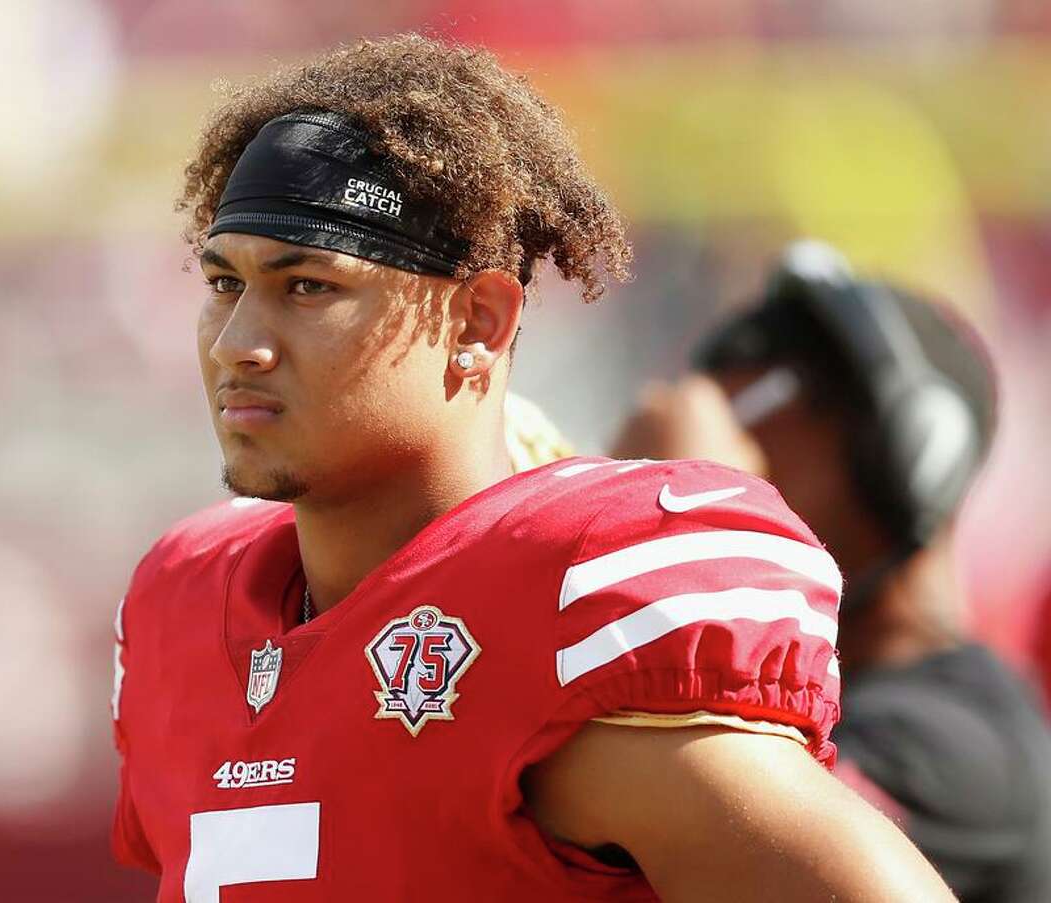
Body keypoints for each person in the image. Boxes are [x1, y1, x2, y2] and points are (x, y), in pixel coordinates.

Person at [110, 38, 952, 901]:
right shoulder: (186, 608)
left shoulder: (559, 605)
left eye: (309, 287)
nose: (238, 342)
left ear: (478, 320)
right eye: (223, 282)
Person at [614, 240, 1051, 902]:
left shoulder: (957, 744)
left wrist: (678, 531)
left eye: (741, 458)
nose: (716, 490)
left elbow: (694, 857)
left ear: (898, 469)